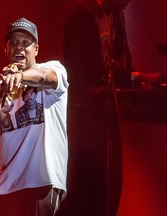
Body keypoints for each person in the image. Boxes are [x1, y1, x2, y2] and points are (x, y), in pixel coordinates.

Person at [0, 18, 69, 216]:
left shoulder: (54, 68)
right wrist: (0, 90)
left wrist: (21, 76)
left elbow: (45, 78)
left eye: (25, 43)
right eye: (14, 43)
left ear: (36, 49)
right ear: (6, 50)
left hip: (41, 182)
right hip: (6, 188)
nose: (19, 47)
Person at [61, 0, 134, 215]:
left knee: (111, 185)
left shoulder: (115, 16)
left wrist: (133, 76)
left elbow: (123, 65)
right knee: (87, 187)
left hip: (105, 113)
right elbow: (88, 70)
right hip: (85, 116)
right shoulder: (83, 15)